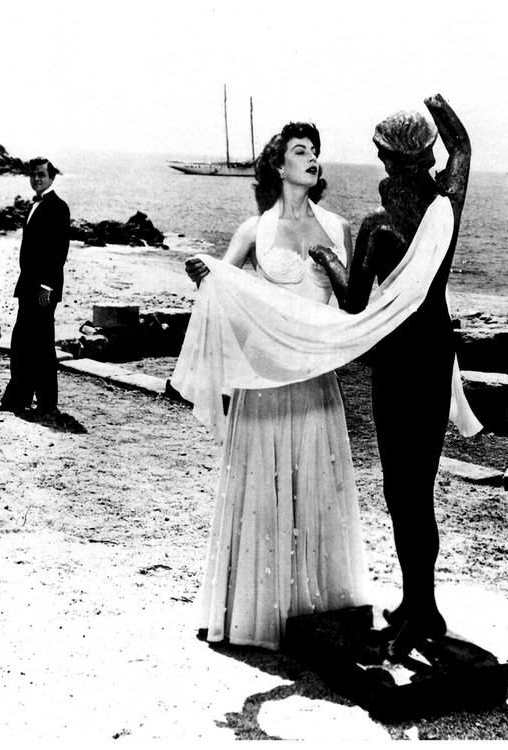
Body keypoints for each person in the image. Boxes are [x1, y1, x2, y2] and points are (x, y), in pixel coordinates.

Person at [183, 122, 371, 650]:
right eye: (300, 150)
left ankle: (314, 613)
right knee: (263, 489)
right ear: (278, 165)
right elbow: (223, 288)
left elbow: (351, 303)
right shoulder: (253, 230)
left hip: (315, 381)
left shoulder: (338, 228)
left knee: (314, 487)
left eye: (316, 151)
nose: (312, 158)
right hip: (264, 381)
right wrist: (204, 273)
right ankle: (257, 612)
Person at [309, 94, 475, 659]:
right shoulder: (446, 207)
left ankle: (420, 610)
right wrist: (437, 106)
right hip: (437, 356)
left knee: (402, 493)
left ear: (389, 161)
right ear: (425, 156)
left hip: (399, 362)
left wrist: (328, 259)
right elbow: (462, 146)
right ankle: (419, 603)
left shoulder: (379, 226)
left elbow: (355, 303)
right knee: (417, 490)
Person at [0, 157, 70, 417]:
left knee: (40, 344)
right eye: (33, 175)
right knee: (24, 342)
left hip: (43, 288)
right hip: (29, 285)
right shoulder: (35, 204)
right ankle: (20, 397)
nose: (36, 179)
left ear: (52, 178)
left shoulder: (58, 207)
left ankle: (46, 401)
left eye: (41, 174)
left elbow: (58, 250)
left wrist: (46, 286)